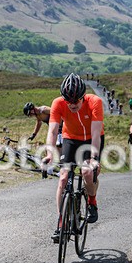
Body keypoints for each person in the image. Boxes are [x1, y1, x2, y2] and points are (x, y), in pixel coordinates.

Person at [43, 73, 104, 242]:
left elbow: (96, 133)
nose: (72, 104)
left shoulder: (95, 102)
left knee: (87, 171)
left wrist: (94, 157)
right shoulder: (57, 103)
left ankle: (92, 201)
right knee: (63, 178)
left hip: (92, 139)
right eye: (68, 101)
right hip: (71, 139)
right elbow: (53, 131)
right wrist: (49, 153)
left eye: (76, 100)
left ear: (83, 97)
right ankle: (61, 223)